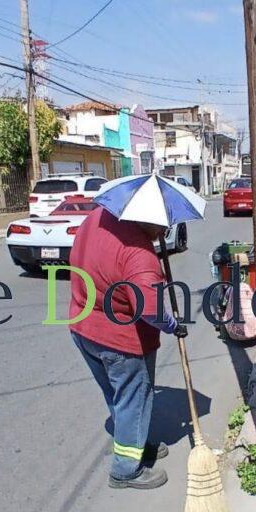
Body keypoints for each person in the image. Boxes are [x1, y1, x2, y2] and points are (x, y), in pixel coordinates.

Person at [68, 205, 187, 490]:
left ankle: (134, 440)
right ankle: (125, 470)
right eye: (162, 227)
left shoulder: (98, 217)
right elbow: (150, 309)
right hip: (120, 341)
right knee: (134, 399)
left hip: (83, 327)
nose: (163, 234)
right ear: (148, 220)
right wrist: (173, 325)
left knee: (118, 395)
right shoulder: (141, 255)